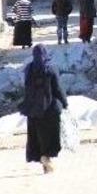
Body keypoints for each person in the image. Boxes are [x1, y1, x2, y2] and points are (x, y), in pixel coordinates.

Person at [19, 45, 69, 174]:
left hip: (33, 111)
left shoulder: (29, 69)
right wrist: (65, 103)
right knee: (50, 136)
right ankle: (47, 159)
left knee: (37, 137)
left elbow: (27, 88)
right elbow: (57, 88)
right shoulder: (51, 69)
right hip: (49, 109)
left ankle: (44, 161)